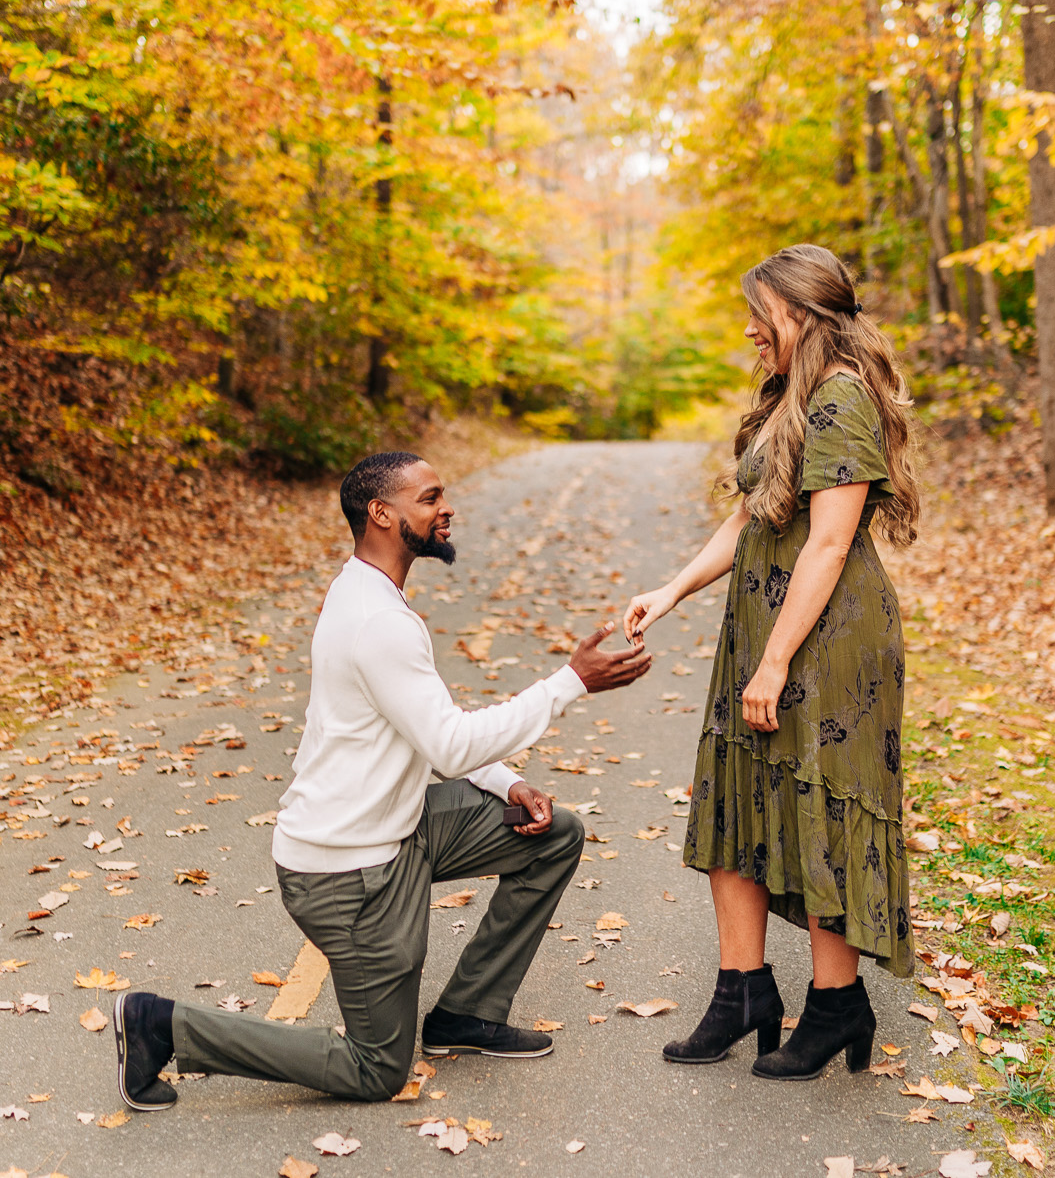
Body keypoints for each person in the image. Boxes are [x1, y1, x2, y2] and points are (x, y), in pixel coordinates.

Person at [113, 451, 651, 1110]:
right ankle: (160, 1024)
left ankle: (466, 1014)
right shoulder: (378, 620)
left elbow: (426, 725)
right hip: (349, 873)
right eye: (429, 498)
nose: (445, 507)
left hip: (395, 829)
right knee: (378, 1070)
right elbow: (447, 743)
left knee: (551, 833)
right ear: (382, 513)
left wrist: (506, 781)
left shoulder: (369, 593)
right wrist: (571, 682)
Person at [626, 245, 920, 1081]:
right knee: (738, 794)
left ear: (801, 310)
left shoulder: (842, 398)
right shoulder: (793, 398)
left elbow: (827, 546)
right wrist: (672, 588)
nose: (751, 328)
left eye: (762, 311)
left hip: (826, 639)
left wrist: (777, 661)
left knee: (820, 801)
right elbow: (754, 519)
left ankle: (837, 1005)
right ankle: (742, 990)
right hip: (765, 623)